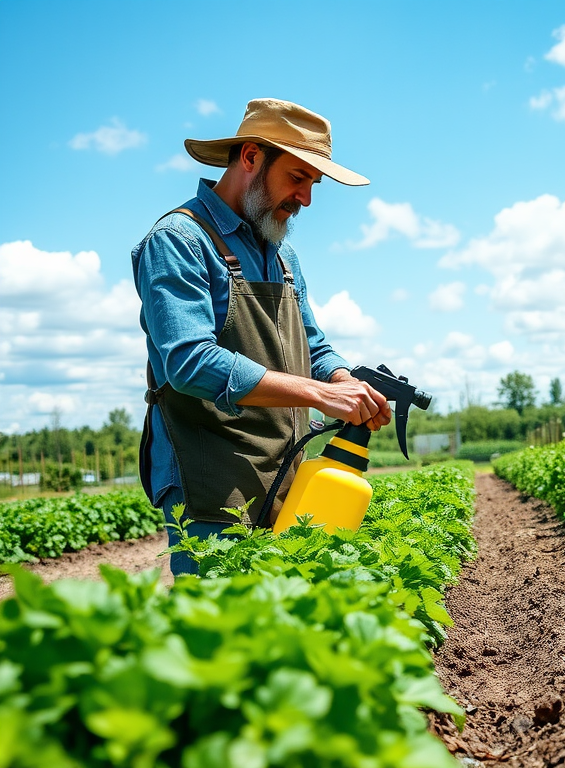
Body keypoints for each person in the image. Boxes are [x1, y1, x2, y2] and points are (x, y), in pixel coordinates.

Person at [132, 98, 391, 576]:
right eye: (298, 178)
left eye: (313, 184)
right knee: (222, 634)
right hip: (212, 480)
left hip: (285, 474)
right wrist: (320, 395)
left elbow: (311, 344)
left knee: (279, 628)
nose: (307, 199)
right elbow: (189, 362)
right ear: (251, 157)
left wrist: (340, 379)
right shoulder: (179, 240)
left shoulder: (282, 253)